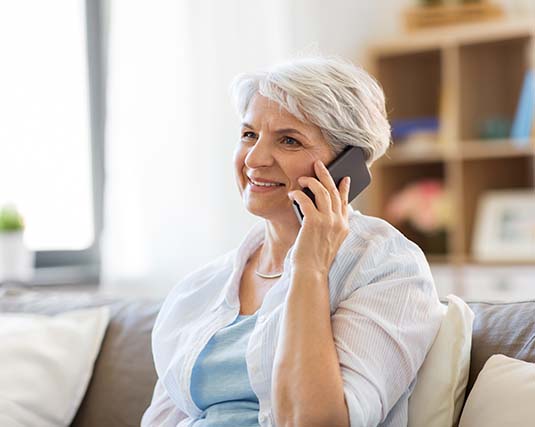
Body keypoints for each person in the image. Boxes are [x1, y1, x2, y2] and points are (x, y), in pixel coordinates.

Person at [141, 56, 444, 427]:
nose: (254, 158)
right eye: (249, 134)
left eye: (288, 140)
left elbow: (316, 422)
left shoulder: (385, 266)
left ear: (348, 163)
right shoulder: (200, 288)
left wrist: (309, 268)